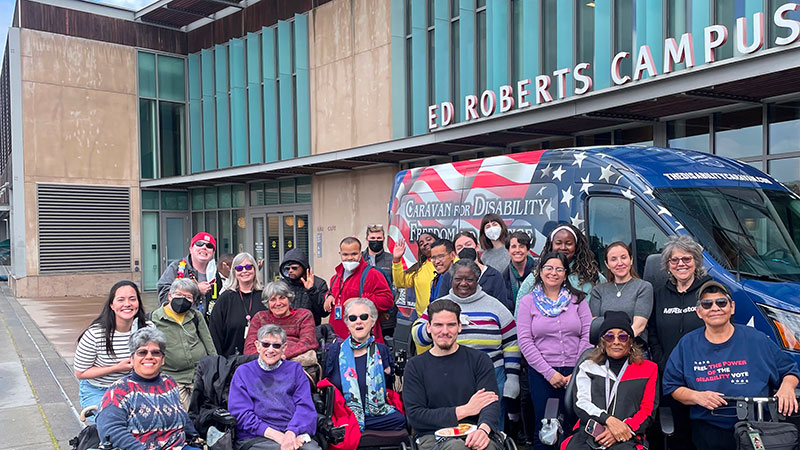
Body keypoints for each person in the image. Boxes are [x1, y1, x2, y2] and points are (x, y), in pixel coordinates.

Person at [663, 281, 800, 450]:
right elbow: (672, 387)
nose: (715, 308)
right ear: (699, 312)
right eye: (707, 304)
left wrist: (787, 387)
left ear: (732, 307)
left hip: (759, 428)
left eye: (721, 302)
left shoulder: (756, 339)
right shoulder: (687, 344)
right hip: (710, 429)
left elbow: (790, 371)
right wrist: (697, 396)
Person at [413, 259, 521, 400]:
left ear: (477, 280)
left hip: (491, 376)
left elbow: (512, 343)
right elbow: (417, 336)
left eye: (469, 279)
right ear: (451, 280)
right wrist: (436, 327)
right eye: (458, 279)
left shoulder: (496, 307)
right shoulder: (439, 306)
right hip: (446, 375)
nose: (463, 283)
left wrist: (512, 379)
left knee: (489, 420)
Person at [517, 252, 592, 450]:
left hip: (577, 372)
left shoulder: (578, 300)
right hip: (542, 374)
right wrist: (550, 373)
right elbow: (525, 341)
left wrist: (576, 371)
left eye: (559, 269)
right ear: (540, 272)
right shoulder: (528, 302)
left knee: (573, 426)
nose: (553, 273)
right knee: (545, 427)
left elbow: (588, 335)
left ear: (566, 274)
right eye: (548, 268)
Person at [404, 299, 502, 450]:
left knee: (486, 447)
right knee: (456, 447)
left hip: (476, 429)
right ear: (428, 327)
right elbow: (416, 416)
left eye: (451, 325)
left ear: (459, 327)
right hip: (432, 435)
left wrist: (483, 429)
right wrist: (465, 410)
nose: (445, 331)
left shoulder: (479, 360)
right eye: (438, 325)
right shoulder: (415, 366)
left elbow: (490, 403)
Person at [647, 235, 712, 449]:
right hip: (670, 376)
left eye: (686, 259)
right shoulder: (660, 295)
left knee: (704, 435)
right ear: (667, 265)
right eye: (674, 260)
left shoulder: (710, 291)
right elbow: (653, 332)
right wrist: (662, 361)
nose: (680, 264)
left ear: (696, 261)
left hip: (705, 376)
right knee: (675, 436)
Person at [564, 311, 659, 450]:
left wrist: (621, 430)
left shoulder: (649, 369)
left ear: (631, 341)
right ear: (602, 341)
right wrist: (608, 420)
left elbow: (647, 411)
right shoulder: (587, 366)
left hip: (628, 434)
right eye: (609, 336)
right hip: (590, 432)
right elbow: (581, 403)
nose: (616, 341)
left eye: (622, 337)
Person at [96, 327, 201, 450]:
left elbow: (183, 416)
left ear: (162, 360)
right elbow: (110, 431)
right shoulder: (119, 390)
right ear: (132, 359)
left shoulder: (169, 383)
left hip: (178, 446)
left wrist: (194, 437)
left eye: (156, 353)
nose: (149, 356)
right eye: (142, 352)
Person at [228, 324, 320, 450]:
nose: (270, 350)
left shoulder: (295, 370)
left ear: (284, 348)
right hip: (257, 435)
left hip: (292, 432)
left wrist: (291, 433)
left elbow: (305, 407)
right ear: (257, 346)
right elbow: (241, 414)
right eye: (265, 344)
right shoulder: (243, 372)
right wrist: (279, 437)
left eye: (276, 345)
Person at [324, 298, 405, 431]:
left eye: (363, 316)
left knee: (400, 420)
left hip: (376, 414)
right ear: (347, 323)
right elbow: (328, 384)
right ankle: (354, 425)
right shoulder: (336, 350)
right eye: (353, 318)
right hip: (345, 413)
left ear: (372, 321)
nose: (358, 321)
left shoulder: (382, 350)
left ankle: (355, 426)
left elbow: (388, 386)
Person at [73, 281, 151, 417]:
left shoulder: (148, 329)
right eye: (121, 300)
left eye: (132, 299)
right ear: (112, 305)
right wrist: (116, 368)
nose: (127, 304)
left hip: (137, 388)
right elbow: (81, 373)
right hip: (100, 389)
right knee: (112, 424)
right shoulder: (95, 334)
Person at [151, 278, 217, 409]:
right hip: (174, 377)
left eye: (188, 297)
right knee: (184, 413)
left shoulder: (195, 316)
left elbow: (208, 342)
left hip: (199, 374)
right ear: (170, 296)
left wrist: (215, 368)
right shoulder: (155, 319)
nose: (183, 299)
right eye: (179, 295)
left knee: (204, 412)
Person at [324, 237, 395, 343]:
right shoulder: (336, 277)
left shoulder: (372, 274)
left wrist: (360, 300)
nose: (349, 258)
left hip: (363, 340)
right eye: (345, 254)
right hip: (338, 339)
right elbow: (335, 293)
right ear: (340, 254)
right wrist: (328, 296)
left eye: (354, 254)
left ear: (360, 254)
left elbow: (388, 300)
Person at [517, 224, 605, 302]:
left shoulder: (592, 276)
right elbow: (520, 312)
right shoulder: (536, 277)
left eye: (569, 243)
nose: (563, 247)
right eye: (558, 243)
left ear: (576, 247)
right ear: (551, 246)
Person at [589, 242, 653, 343]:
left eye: (624, 257)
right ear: (607, 264)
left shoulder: (643, 287)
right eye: (613, 259)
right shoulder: (598, 291)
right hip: (606, 349)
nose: (620, 263)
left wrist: (621, 343)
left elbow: (639, 326)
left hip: (635, 348)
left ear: (631, 260)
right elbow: (595, 325)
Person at [244, 281, 318, 368]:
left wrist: (280, 355)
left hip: (294, 363)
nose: (278, 303)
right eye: (273, 299)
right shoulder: (260, 317)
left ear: (289, 299)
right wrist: (269, 358)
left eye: (282, 298)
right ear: (267, 303)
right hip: (264, 363)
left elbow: (308, 342)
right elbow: (249, 348)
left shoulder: (304, 315)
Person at [209, 252, 266, 356]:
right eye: (239, 268)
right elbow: (215, 334)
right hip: (231, 363)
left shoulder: (265, 297)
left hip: (262, 361)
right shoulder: (225, 299)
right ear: (234, 272)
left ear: (255, 269)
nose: (244, 271)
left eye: (248, 267)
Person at [157, 232, 222, 316]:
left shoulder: (215, 273)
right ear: (191, 249)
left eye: (209, 246)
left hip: (205, 325)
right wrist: (196, 289)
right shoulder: (176, 268)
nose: (204, 247)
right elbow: (163, 296)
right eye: (199, 244)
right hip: (180, 322)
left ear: (213, 253)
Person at [454, 231, 509, 310]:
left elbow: (502, 307)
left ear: (477, 247)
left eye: (468, 245)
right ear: (455, 253)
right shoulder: (449, 276)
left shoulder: (494, 276)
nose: (465, 249)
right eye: (459, 248)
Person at [392, 231, 438, 318]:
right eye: (421, 243)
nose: (425, 243)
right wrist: (396, 260)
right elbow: (400, 283)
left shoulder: (453, 261)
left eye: (429, 239)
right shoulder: (419, 269)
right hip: (424, 320)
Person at [279, 248, 329, 326]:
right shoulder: (282, 285)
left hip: (311, 330)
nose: (290, 271)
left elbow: (324, 312)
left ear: (304, 267)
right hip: (286, 329)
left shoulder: (318, 283)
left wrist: (311, 290)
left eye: (294, 268)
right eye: (287, 269)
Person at [502, 231, 536, 313]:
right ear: (508, 250)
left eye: (521, 246)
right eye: (513, 246)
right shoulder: (504, 276)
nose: (517, 250)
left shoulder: (539, 272)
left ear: (528, 250)